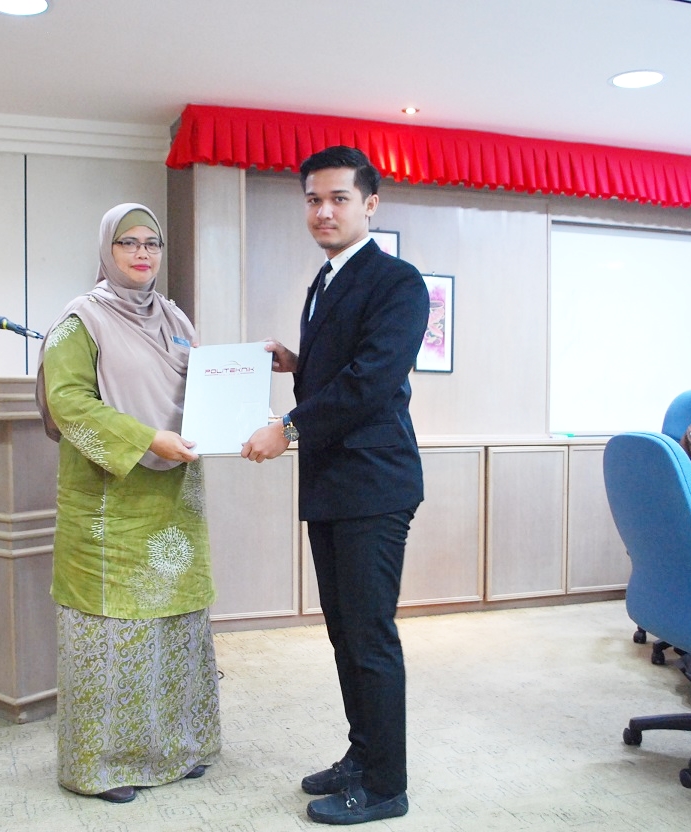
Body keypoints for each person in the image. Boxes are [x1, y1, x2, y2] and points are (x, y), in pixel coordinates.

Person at [241, 146, 428, 825]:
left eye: (339, 198)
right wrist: (298, 362)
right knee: (344, 633)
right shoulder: (325, 280)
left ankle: (386, 785)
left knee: (370, 636)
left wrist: (287, 429)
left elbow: (370, 381)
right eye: (314, 199)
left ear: (370, 204)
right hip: (333, 481)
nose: (324, 211)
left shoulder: (398, 281)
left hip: (374, 483)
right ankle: (362, 754)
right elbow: (342, 367)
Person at [38, 202, 220, 804]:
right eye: (128, 242)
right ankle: (104, 765)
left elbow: (203, 388)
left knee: (174, 628)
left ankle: (179, 749)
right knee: (114, 636)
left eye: (152, 243)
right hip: (109, 507)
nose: (143, 253)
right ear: (106, 250)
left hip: (174, 500)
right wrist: (145, 440)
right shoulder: (80, 321)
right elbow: (68, 404)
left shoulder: (175, 318)